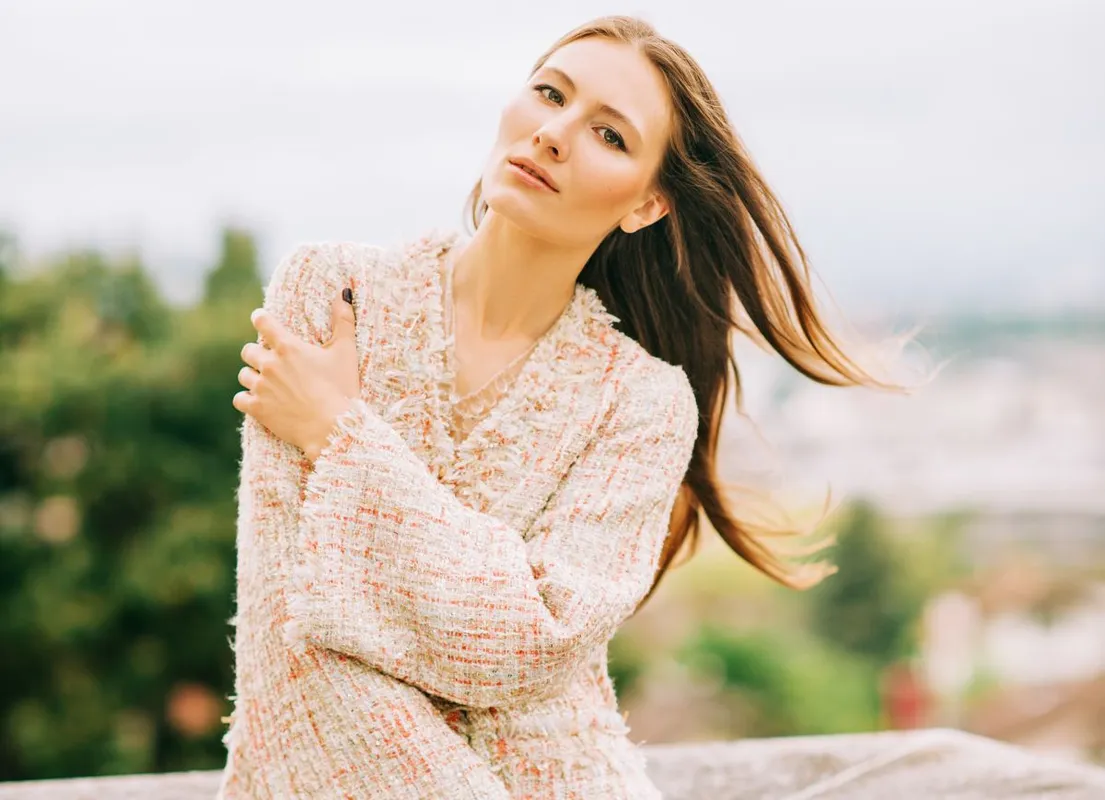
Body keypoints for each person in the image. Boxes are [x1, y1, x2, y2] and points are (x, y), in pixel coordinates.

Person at [220, 14, 896, 799]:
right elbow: (289, 643)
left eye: (609, 135)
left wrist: (339, 438)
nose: (552, 134)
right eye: (549, 94)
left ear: (647, 204)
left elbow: (533, 645)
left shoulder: (643, 405)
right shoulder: (333, 294)